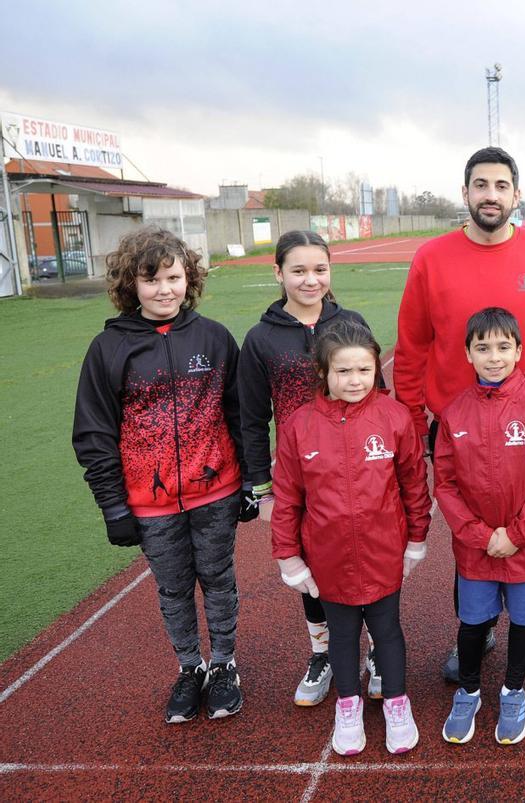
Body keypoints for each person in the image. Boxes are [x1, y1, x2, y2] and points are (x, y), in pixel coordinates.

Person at [393, 147, 525, 681]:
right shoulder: (431, 258)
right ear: (466, 192)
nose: (491, 195)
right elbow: (411, 347)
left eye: (501, 186)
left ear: (516, 194)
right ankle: (477, 628)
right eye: (481, 185)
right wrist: (413, 425)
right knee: (470, 527)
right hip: (460, 426)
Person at [72, 226, 252, 724]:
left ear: (189, 278)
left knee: (218, 578)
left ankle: (224, 665)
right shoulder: (108, 348)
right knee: (173, 588)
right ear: (131, 284)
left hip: (215, 491)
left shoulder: (214, 337)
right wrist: (113, 505)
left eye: (173, 277)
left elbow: (240, 413)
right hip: (149, 503)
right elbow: (93, 432)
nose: (164, 289)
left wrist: (250, 481)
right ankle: (190, 667)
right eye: (151, 280)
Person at [271, 322, 431, 756]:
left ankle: (397, 703)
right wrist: (288, 556)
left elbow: (414, 484)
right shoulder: (299, 425)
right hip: (328, 557)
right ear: (323, 372)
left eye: (364, 370)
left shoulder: (394, 417)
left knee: (387, 630)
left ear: (376, 369)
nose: (355, 380)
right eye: (343, 371)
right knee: (341, 635)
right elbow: (288, 496)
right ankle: (348, 705)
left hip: (384, 551)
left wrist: (416, 538)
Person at [238, 230, 384, 707]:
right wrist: (263, 490)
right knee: (312, 564)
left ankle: (378, 648)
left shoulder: (352, 322)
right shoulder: (260, 339)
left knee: (369, 555)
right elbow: (251, 419)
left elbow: (379, 395)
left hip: (361, 469)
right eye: (298, 270)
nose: (310, 280)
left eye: (319, 269)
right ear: (278, 273)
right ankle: (323, 653)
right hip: (304, 477)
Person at [436, 308, 525, 745]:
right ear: (468, 354)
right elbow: (446, 485)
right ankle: (469, 691)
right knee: (473, 622)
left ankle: (513, 690)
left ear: (519, 351)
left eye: (503, 347)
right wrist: (481, 535)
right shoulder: (455, 413)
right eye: (483, 348)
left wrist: (515, 535)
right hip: (476, 549)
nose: (494, 357)